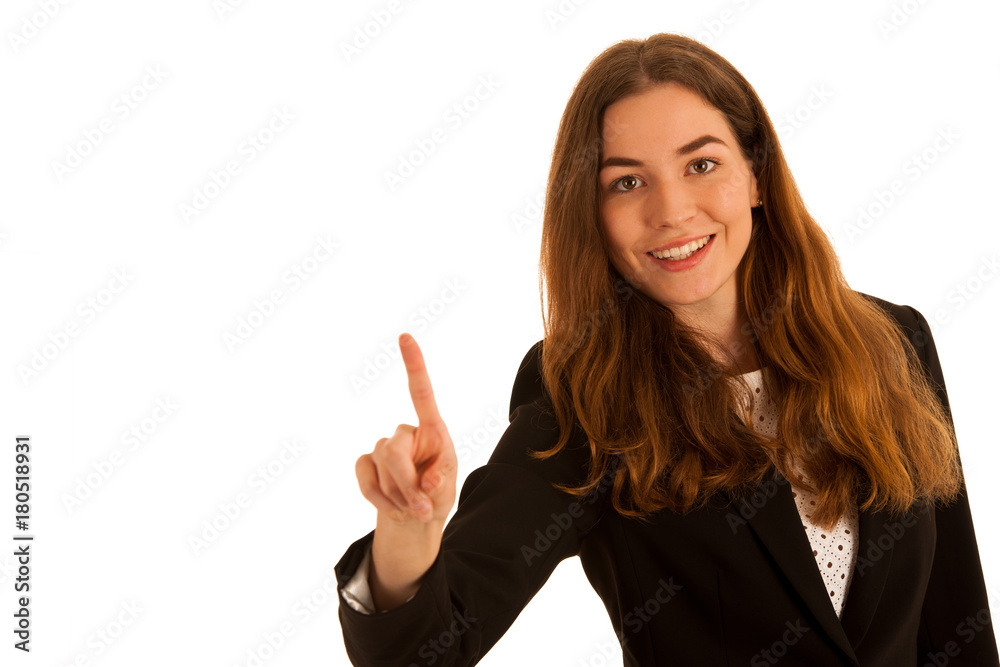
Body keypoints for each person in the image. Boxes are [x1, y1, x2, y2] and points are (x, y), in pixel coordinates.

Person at [335, 32, 999, 666]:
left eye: (701, 164)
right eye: (627, 182)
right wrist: (407, 535)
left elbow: (955, 620)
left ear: (756, 176)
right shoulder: (581, 391)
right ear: (591, 212)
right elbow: (425, 651)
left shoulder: (895, 341)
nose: (672, 210)